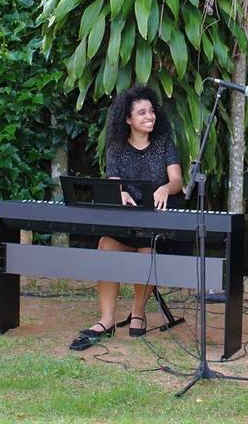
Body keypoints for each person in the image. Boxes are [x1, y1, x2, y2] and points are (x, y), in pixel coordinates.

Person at [69, 85, 183, 351]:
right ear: (128, 120)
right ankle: (107, 320)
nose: (150, 117)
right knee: (106, 245)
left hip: (156, 223)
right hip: (127, 222)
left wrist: (166, 187)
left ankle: (138, 312)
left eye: (152, 111)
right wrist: (119, 192)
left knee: (146, 251)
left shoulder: (164, 143)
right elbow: (114, 183)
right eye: (142, 113)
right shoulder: (117, 148)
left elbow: (177, 180)